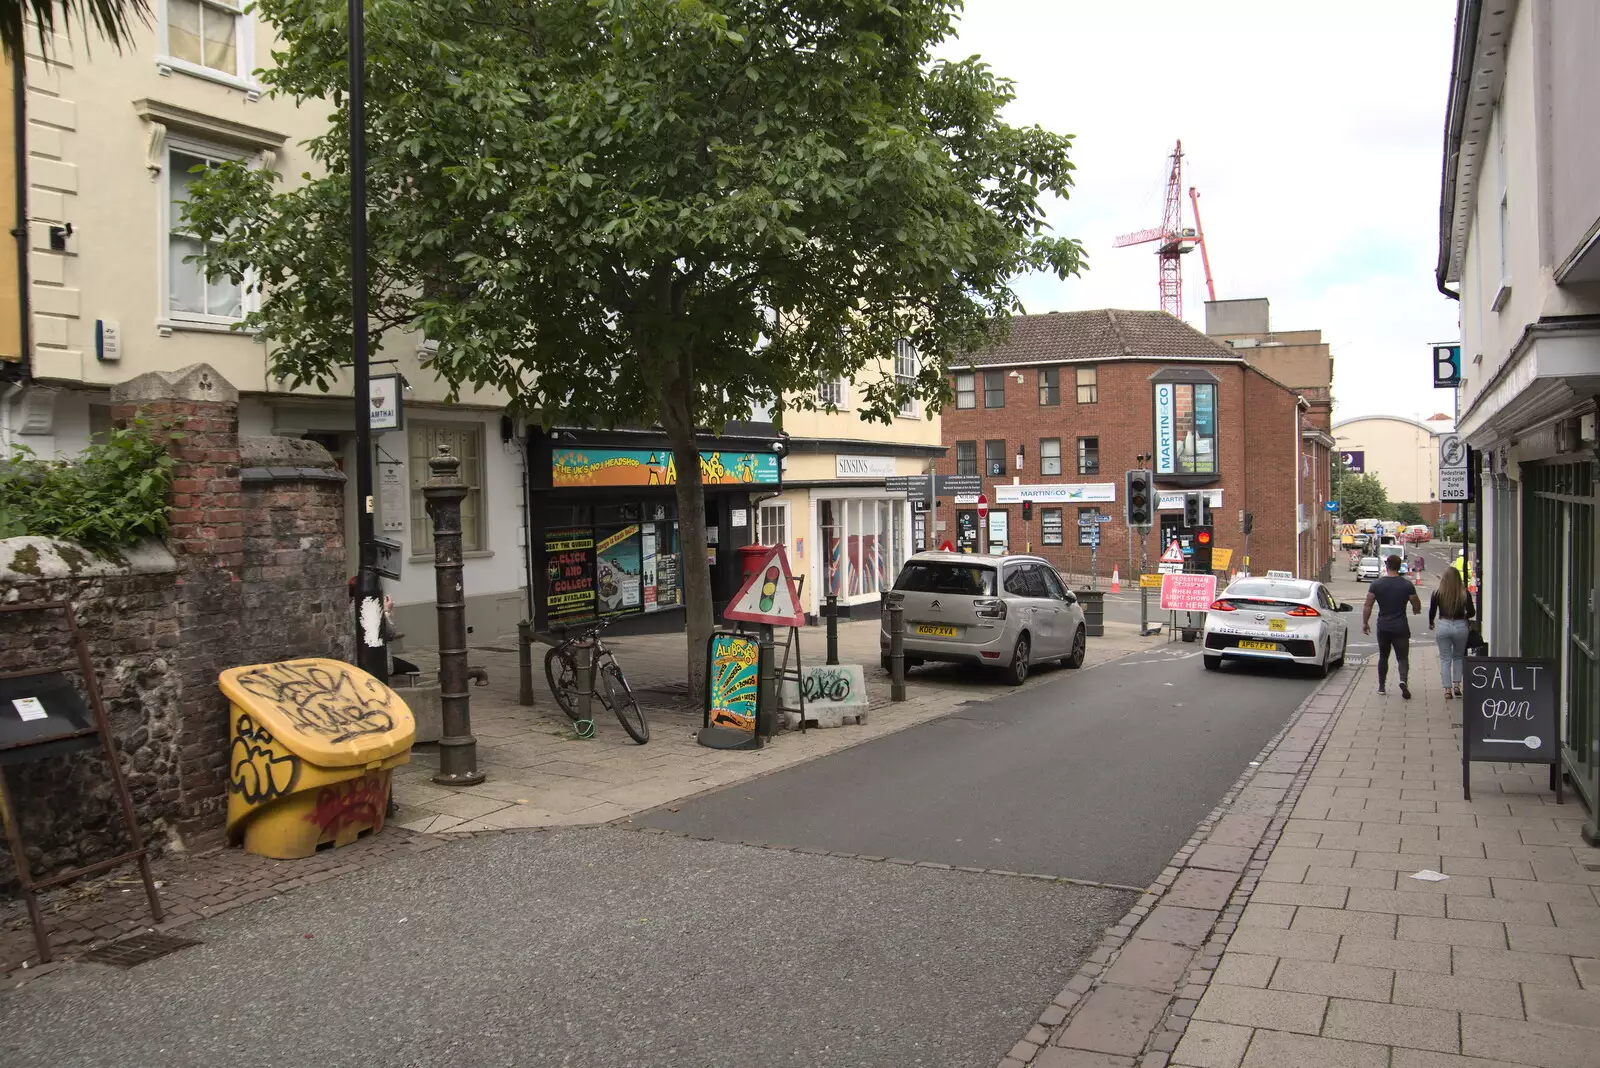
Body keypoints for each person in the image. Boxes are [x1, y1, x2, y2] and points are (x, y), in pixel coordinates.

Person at [1363, 554, 1421, 699]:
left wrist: (1365, 622)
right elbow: (1416, 603)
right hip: (1400, 626)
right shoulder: (1407, 585)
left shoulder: (1377, 584)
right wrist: (1416, 609)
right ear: (1399, 566)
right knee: (1402, 657)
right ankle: (1403, 680)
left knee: (1383, 656)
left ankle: (1382, 687)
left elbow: (1368, 605)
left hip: (1383, 626)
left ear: (1386, 565)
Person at [1428, 567, 1475, 699]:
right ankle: (1457, 685)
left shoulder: (1437, 593)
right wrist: (1465, 614)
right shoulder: (1465, 593)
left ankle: (1447, 689)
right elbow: (1471, 612)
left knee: (1445, 658)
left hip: (1444, 624)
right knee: (1458, 657)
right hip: (1460, 626)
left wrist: (1431, 622)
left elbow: (1432, 611)